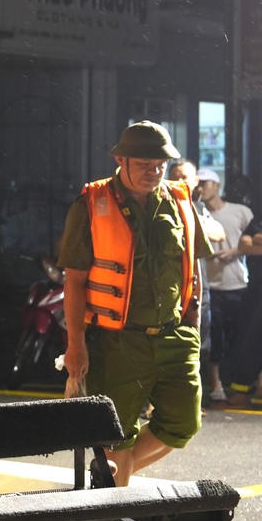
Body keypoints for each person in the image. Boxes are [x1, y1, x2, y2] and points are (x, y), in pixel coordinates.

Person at [58, 122, 212, 500]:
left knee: (182, 425)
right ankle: (115, 513)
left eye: (159, 164)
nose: (153, 171)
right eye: (144, 163)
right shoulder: (91, 204)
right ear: (120, 160)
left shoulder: (179, 201)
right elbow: (74, 281)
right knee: (118, 434)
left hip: (175, 335)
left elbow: (194, 266)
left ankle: (106, 485)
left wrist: (193, 320)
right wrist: (75, 345)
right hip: (117, 341)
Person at [167, 161, 226, 403]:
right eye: (175, 176)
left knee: (199, 343)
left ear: (194, 182)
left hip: (195, 288)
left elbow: (219, 234)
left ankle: (192, 399)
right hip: (165, 288)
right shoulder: (156, 204)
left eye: (185, 177)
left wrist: (188, 221)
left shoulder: (198, 208)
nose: (180, 181)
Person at [196, 169, 252, 406]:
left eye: (205, 183)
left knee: (241, 336)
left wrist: (235, 251)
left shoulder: (240, 212)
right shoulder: (197, 212)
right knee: (213, 339)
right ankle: (216, 384)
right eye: (198, 183)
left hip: (237, 282)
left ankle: (239, 382)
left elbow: (252, 239)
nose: (201, 187)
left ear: (217, 184)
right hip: (210, 284)